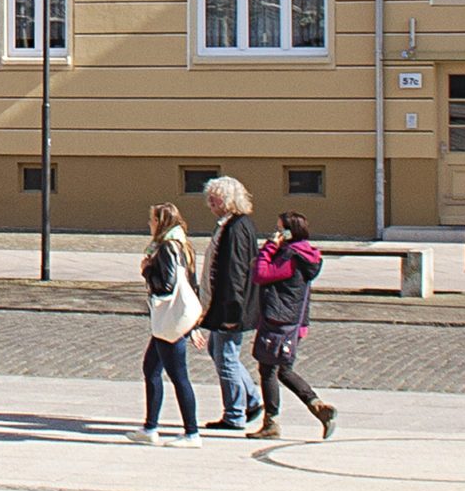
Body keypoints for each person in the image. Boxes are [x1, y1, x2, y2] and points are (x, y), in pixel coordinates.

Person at [250, 211, 337, 440]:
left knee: (268, 369)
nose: (277, 233)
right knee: (283, 369)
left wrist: (269, 247)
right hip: (293, 319)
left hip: (279, 319)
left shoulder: (290, 256)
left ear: (290, 232)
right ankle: (318, 407)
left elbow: (261, 274)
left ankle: (272, 423)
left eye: (280, 229)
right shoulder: (306, 254)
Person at [194, 175, 263, 434]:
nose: (211, 200)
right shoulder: (229, 225)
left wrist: (232, 311)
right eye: (209, 195)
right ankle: (252, 400)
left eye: (217, 196)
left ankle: (235, 413)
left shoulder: (235, 228)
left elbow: (235, 271)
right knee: (219, 351)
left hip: (230, 306)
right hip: (223, 302)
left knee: (226, 357)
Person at [134, 202, 202, 446]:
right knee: (151, 368)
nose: (149, 224)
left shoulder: (167, 248)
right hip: (171, 322)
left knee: (178, 376)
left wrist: (147, 271)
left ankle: (192, 433)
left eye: (152, 219)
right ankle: (150, 427)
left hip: (169, 322)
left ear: (161, 222)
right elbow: (191, 286)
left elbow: (167, 286)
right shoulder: (182, 245)